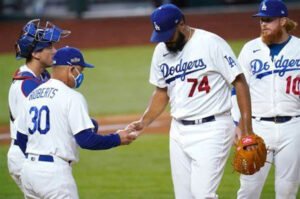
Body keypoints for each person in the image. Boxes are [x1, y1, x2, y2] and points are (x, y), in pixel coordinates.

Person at [127, 3, 255, 199]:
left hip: (213, 129)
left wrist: (246, 130)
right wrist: (144, 121)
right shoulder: (161, 51)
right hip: (178, 131)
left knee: (202, 194)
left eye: (169, 35)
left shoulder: (211, 43)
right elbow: (162, 92)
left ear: (182, 24)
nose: (166, 42)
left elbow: (239, 82)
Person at [15, 46, 137, 199]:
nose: (81, 76)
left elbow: (20, 139)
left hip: (29, 172)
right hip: (54, 176)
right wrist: (118, 138)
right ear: (71, 69)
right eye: (80, 71)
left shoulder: (33, 95)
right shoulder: (72, 97)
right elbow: (87, 141)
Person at [232, 0, 300, 198]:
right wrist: (238, 124)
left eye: (268, 20)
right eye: (261, 20)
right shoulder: (250, 49)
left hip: (294, 126)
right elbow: (237, 89)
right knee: (248, 190)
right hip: (257, 128)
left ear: (283, 21)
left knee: (287, 190)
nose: (263, 24)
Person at [7, 18, 70, 192]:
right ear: (35, 54)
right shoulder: (26, 85)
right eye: (49, 47)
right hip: (25, 155)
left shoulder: (42, 77)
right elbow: (26, 132)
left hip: (32, 154)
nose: (55, 51)